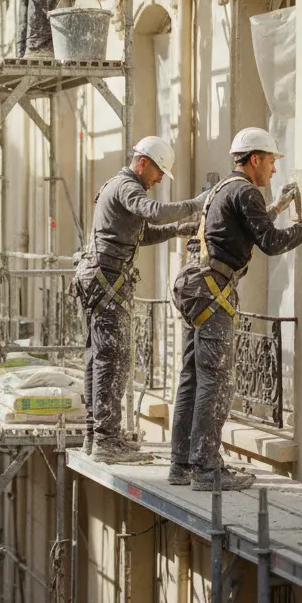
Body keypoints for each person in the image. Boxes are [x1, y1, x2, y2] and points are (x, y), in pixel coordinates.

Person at [168, 127, 302, 492]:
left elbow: (241, 229)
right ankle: (206, 470)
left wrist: (276, 206)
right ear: (255, 160)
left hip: (194, 287)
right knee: (216, 381)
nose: (274, 171)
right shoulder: (245, 190)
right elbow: (272, 243)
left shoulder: (224, 189)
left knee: (193, 378)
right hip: (211, 291)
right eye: (272, 162)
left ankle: (181, 465)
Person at [72, 136, 209, 464]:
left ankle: (96, 436)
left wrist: (178, 230)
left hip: (98, 277)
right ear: (143, 163)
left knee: (100, 356)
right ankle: (107, 441)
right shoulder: (127, 187)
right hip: (105, 279)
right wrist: (195, 203)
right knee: (112, 357)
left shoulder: (120, 189)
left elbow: (142, 233)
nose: (160, 179)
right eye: (159, 172)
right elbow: (153, 213)